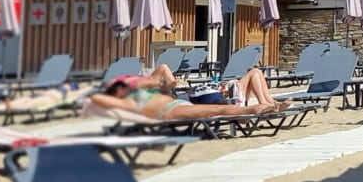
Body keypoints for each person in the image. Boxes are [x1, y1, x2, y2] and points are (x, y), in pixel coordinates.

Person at [96, 72, 287, 120]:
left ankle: (266, 107)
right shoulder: (128, 102)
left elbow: (163, 88)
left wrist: (167, 85)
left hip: (175, 101)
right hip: (166, 111)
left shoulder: (139, 91)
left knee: (218, 108)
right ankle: (258, 108)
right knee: (216, 110)